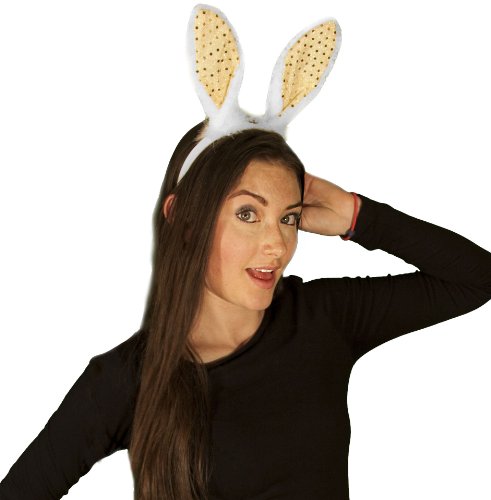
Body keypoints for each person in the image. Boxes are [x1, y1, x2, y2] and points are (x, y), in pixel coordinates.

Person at [1, 4, 490, 500]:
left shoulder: (322, 319)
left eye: (289, 218)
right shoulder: (126, 380)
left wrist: (355, 216)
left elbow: (475, 278)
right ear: (183, 220)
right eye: (248, 213)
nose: (277, 244)